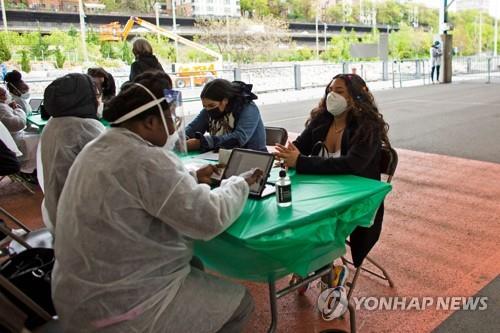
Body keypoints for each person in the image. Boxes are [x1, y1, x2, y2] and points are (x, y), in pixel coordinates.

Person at [52, 71, 262, 333]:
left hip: (77, 293)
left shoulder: (99, 146)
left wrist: (192, 176)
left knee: (194, 265)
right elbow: (209, 217)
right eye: (170, 119)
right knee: (241, 304)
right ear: (150, 122)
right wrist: (239, 183)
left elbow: (140, 189)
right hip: (121, 307)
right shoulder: (146, 159)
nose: (174, 128)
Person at [275, 74, 391, 269]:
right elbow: (300, 145)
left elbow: (351, 165)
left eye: (339, 91)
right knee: (289, 212)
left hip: (354, 197)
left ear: (356, 97)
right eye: (330, 90)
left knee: (313, 223)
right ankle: (318, 265)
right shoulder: (322, 119)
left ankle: (321, 267)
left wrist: (300, 162)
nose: (332, 95)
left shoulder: (367, 127)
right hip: (322, 191)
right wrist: (288, 153)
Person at [39, 73, 105, 231]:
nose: (99, 99)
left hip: (56, 211)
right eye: (95, 94)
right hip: (81, 221)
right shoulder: (84, 127)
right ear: (84, 98)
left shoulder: (53, 123)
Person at [185, 79, 266, 152]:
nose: (208, 109)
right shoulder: (210, 109)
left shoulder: (247, 107)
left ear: (225, 100)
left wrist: (202, 142)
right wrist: (181, 138)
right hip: (220, 156)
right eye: (204, 106)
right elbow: (193, 128)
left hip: (253, 157)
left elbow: (239, 138)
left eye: (211, 105)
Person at [0, 86, 38, 174]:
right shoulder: (2, 108)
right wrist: (18, 109)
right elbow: (18, 124)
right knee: (40, 139)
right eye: (3, 94)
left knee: (36, 133)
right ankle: (31, 171)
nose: (6, 96)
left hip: (13, 137)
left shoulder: (4, 106)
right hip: (14, 142)